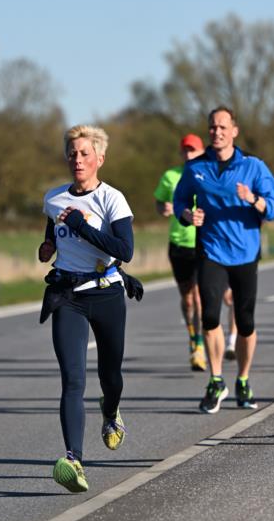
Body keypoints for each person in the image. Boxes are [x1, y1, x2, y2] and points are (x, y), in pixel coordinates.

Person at [39, 125, 134, 494]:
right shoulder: (54, 198)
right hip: (68, 296)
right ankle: (73, 459)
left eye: (84, 153)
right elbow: (52, 231)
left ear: (99, 158)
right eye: (72, 154)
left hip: (107, 293)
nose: (77, 159)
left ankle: (111, 413)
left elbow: (124, 250)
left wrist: (81, 225)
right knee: (72, 379)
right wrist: (47, 247)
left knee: (110, 376)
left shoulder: (113, 199)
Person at [173, 106, 274, 413]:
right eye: (212, 127)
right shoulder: (196, 167)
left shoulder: (254, 167)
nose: (216, 132)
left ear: (234, 131)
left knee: (245, 322)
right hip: (210, 250)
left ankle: (244, 380)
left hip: (246, 253)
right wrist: (186, 214)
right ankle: (216, 379)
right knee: (210, 316)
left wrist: (253, 199)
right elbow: (180, 200)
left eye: (222, 127)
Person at [154, 134, 207, 371]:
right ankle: (192, 335)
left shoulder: (206, 173)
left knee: (198, 297)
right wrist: (163, 208)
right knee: (187, 299)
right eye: (185, 150)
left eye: (192, 150)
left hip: (202, 242)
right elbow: (159, 202)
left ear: (201, 151)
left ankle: (199, 346)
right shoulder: (170, 176)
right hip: (178, 244)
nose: (188, 154)